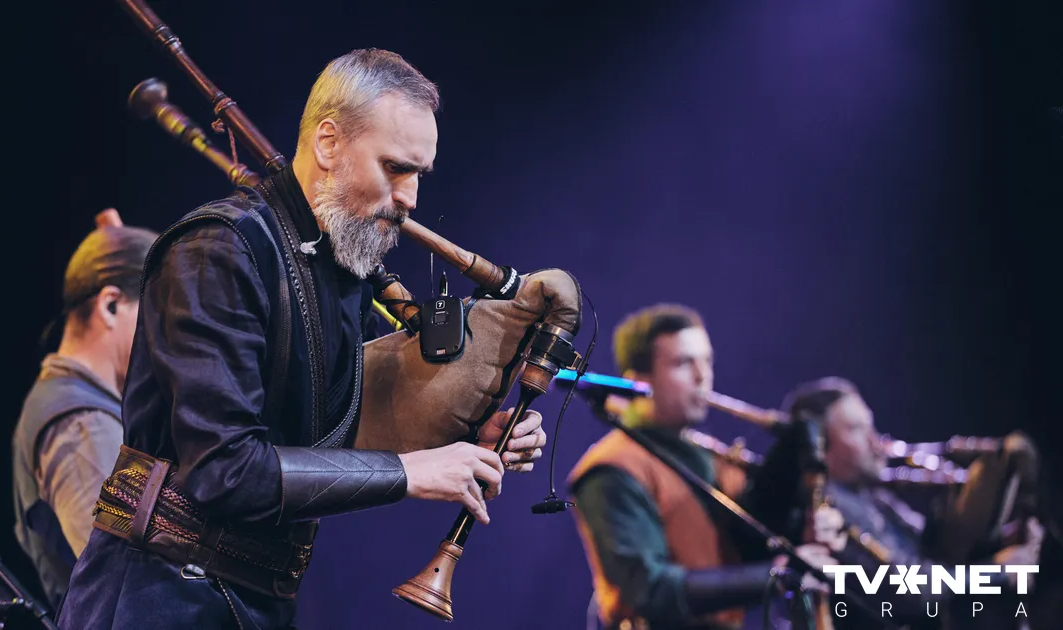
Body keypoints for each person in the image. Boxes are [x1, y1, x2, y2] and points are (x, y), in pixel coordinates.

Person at [56, 48, 547, 630]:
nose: (411, 198)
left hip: (253, 598)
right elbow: (224, 470)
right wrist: (413, 473)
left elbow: (347, 425)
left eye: (419, 175)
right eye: (394, 168)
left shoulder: (339, 271)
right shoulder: (219, 251)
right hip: (159, 596)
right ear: (328, 144)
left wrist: (471, 432)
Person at [568, 304, 840, 630]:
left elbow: (746, 549)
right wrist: (779, 576)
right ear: (639, 381)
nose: (702, 377)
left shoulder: (710, 457)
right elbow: (649, 590)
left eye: (707, 361)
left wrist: (802, 530)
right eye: (684, 363)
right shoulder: (612, 469)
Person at [773, 377, 1044, 630]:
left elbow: (930, 553)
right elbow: (913, 590)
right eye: (857, 430)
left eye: (871, 427)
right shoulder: (826, 509)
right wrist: (1000, 572)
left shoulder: (872, 498)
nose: (875, 441)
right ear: (818, 446)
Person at [11, 208, 159, 610]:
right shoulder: (81, 423)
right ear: (110, 305)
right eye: (158, 316)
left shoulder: (90, 408)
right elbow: (129, 582)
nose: (166, 339)